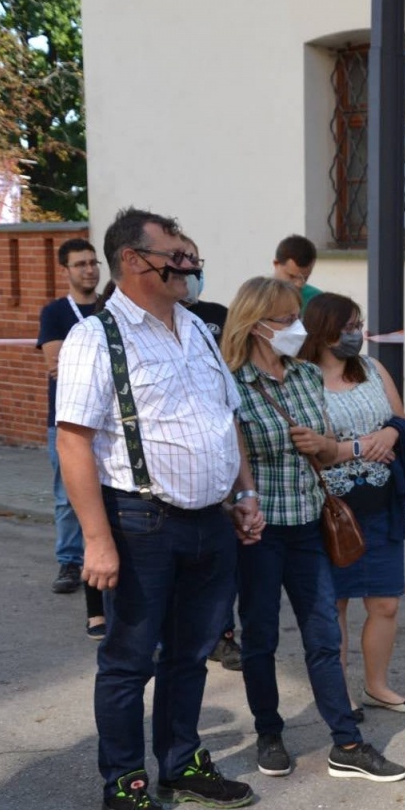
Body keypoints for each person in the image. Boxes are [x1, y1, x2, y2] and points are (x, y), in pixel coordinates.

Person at [57, 207, 260, 810]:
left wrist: (244, 493)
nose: (189, 265)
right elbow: (72, 441)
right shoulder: (97, 337)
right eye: (176, 256)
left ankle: (180, 763)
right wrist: (96, 541)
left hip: (210, 521)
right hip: (140, 521)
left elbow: (227, 418)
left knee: (192, 654)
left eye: (189, 256)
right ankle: (125, 782)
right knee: (128, 660)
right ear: (133, 261)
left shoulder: (197, 328)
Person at [223, 277, 405, 783]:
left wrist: (323, 445)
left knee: (324, 635)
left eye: (296, 319)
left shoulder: (306, 375)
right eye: (287, 319)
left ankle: (346, 743)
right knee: (260, 636)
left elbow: (327, 446)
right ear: (257, 324)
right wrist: (242, 499)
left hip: (309, 523)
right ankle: (269, 732)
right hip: (260, 530)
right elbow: (230, 453)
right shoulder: (232, 382)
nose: (296, 328)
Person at [299, 293, 405, 711]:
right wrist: (358, 447)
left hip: (382, 503)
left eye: (358, 325)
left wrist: (390, 434)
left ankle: (377, 686)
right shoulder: (302, 379)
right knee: (334, 604)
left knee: (385, 602)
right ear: (322, 331)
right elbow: (310, 447)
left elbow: (401, 421)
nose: (356, 334)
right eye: (347, 327)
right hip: (331, 509)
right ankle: (341, 696)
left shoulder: (372, 369)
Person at [36, 239, 109, 638]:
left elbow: (70, 364)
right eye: (80, 264)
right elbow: (55, 364)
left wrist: (77, 361)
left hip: (107, 421)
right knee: (68, 494)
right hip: (65, 420)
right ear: (65, 270)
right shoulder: (56, 313)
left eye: (93, 262)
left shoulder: (109, 307)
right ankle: (69, 560)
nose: (89, 270)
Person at [175, 234, 239, 670]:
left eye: (198, 263)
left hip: (219, 456)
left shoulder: (215, 316)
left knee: (219, 564)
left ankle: (223, 634)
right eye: (186, 262)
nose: (194, 272)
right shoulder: (157, 322)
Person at [271, 234, 322, 308]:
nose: (299, 284)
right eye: (292, 276)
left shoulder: (318, 301)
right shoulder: (256, 298)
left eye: (305, 278)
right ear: (276, 264)